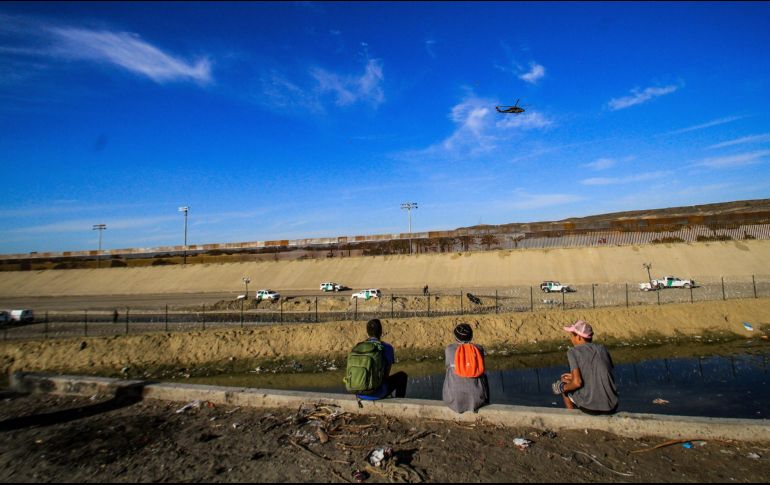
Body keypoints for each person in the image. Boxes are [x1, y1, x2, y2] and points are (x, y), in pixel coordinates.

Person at [553, 320, 618, 415]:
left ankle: (573, 418)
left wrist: (561, 387)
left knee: (564, 384)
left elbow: (577, 383)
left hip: (591, 408)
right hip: (612, 406)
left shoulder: (573, 352)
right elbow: (602, 373)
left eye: (572, 336)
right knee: (570, 380)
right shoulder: (602, 349)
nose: (571, 339)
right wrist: (574, 376)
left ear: (579, 337)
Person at [351, 319, 408, 401]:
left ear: (367, 332)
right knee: (402, 376)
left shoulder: (358, 347)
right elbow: (386, 374)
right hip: (377, 393)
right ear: (381, 331)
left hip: (359, 393)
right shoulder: (387, 347)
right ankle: (399, 402)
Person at [442, 323, 489, 413]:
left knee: (449, 371)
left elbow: (447, 367)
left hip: (454, 400)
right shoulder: (479, 349)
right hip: (477, 400)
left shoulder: (449, 349)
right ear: (471, 336)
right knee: (483, 375)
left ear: (456, 337)